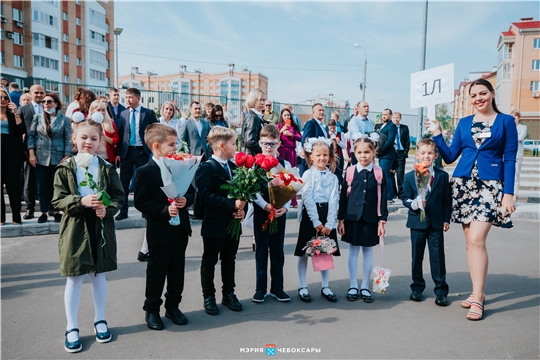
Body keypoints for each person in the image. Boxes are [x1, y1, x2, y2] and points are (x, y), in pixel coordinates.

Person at [427, 78, 517, 321]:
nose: (478, 98)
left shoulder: (506, 122)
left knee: (477, 238)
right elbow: (449, 156)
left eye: (482, 93)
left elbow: (510, 159)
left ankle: (478, 298)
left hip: (490, 186)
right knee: (470, 241)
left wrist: (508, 193)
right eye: (474, 95)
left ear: (492, 93)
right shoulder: (464, 123)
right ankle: (477, 291)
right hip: (464, 185)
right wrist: (437, 135)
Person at [51, 116, 124, 353]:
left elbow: (118, 197)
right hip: (75, 228)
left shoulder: (107, 168)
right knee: (74, 277)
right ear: (74, 139)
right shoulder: (65, 167)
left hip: (100, 227)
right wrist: (80, 200)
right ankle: (71, 326)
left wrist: (107, 208)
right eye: (83, 137)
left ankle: (99, 319)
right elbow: (57, 200)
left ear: (101, 141)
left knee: (98, 275)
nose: (88, 142)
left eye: (94, 138)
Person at [133, 123, 194, 330]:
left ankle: (173, 306)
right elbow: (141, 202)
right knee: (156, 273)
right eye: (172, 145)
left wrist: (186, 200)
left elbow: (192, 192)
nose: (176, 149)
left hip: (180, 230)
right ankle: (152, 310)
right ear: (157, 146)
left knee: (177, 272)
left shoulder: (180, 166)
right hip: (159, 231)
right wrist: (163, 210)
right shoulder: (144, 172)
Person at [195, 127, 246, 316]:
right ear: (222, 145)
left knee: (229, 260)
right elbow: (206, 197)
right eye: (233, 143)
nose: (236, 147)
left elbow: (243, 195)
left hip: (232, 224)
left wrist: (242, 210)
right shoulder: (206, 168)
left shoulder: (234, 168)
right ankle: (209, 296)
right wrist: (232, 204)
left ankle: (229, 293)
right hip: (214, 224)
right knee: (209, 261)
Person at [338, 134, 387, 303]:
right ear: (354, 153)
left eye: (367, 152)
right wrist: (340, 219)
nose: (363, 156)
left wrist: (382, 221)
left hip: (371, 218)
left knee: (367, 251)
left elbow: (383, 198)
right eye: (359, 152)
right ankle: (353, 285)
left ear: (374, 152)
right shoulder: (350, 172)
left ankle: (365, 286)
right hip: (352, 217)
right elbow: (343, 197)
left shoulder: (379, 173)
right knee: (353, 250)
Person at [401, 138, 451, 306]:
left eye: (430, 153)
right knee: (417, 257)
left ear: (436, 155)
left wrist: (446, 219)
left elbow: (446, 200)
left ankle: (441, 290)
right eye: (423, 153)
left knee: (437, 258)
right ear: (417, 155)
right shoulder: (409, 176)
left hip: (436, 222)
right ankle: (417, 288)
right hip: (417, 223)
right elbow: (404, 198)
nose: (426, 156)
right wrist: (414, 203)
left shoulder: (442, 176)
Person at [295, 137, 340, 303]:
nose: (322, 158)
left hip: (326, 215)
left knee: (325, 251)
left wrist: (329, 223)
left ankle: (325, 286)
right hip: (311, 216)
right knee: (304, 252)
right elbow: (307, 197)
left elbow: (334, 199)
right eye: (318, 155)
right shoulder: (308, 174)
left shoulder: (333, 177)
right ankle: (303, 286)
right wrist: (316, 222)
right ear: (311, 156)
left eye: (325, 155)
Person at [252, 125, 292, 303]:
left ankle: (277, 288)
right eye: (266, 143)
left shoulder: (286, 164)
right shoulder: (254, 164)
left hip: (279, 213)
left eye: (273, 143)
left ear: (279, 144)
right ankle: (260, 288)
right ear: (260, 143)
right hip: (263, 212)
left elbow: (291, 188)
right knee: (261, 250)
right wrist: (266, 205)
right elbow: (252, 191)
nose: (269, 147)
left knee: (277, 251)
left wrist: (285, 207)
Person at [27, 92, 72, 223]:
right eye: (44, 102)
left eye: (49, 101)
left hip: (58, 157)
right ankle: (43, 212)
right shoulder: (37, 118)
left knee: (56, 186)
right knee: (42, 186)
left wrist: (67, 155)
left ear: (56, 104)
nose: (46, 104)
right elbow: (31, 136)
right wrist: (31, 153)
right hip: (40, 156)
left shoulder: (64, 119)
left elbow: (68, 138)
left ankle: (56, 211)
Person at [115, 87, 159, 221]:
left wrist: (152, 147)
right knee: (124, 182)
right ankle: (123, 211)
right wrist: (118, 153)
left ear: (138, 98)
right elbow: (121, 134)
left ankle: (145, 210)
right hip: (127, 153)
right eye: (126, 97)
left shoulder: (148, 113)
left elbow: (156, 130)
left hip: (142, 152)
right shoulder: (123, 114)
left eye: (131, 97)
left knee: (143, 182)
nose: (128, 100)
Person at [18, 84, 46, 220]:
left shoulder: (49, 108)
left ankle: (47, 209)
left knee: (46, 181)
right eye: (37, 93)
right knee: (29, 181)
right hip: (30, 150)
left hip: (47, 151)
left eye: (42, 93)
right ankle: (29, 209)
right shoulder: (23, 109)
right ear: (31, 93)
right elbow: (19, 129)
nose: (39, 95)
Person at [0, 88, 26, 225]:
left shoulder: (12, 115)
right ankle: (1, 218)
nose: (3, 100)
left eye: (5, 97)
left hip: (12, 153)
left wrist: (16, 112)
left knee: (13, 185)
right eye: (0, 97)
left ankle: (16, 217)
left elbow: (22, 130)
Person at [276, 107, 302, 207]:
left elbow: (300, 138)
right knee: (281, 175)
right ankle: (281, 199)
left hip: (291, 152)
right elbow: (274, 136)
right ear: (282, 117)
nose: (286, 116)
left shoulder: (294, 127)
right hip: (282, 151)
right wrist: (281, 131)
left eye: (288, 115)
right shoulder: (278, 126)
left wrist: (291, 134)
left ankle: (293, 201)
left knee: (292, 175)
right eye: (285, 115)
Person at [300, 103, 328, 175]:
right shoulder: (310, 123)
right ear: (313, 112)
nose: (322, 112)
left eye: (323, 110)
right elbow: (305, 141)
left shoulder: (322, 126)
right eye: (319, 110)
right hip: (313, 161)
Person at [377, 108, 397, 203]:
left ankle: (389, 196)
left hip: (387, 154)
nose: (384, 116)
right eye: (383, 114)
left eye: (386, 114)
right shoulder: (382, 125)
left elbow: (390, 141)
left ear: (390, 116)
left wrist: (381, 150)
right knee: (383, 174)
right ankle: (386, 195)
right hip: (381, 155)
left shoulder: (392, 126)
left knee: (385, 175)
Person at [241, 88, 268, 155]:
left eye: (264, 100)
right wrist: (265, 150)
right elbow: (250, 142)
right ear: (253, 100)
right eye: (259, 100)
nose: (262, 102)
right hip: (252, 158)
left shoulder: (254, 116)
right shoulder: (253, 117)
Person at [347, 101, 373, 165]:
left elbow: (375, 137)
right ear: (358, 109)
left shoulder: (370, 123)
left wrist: (367, 136)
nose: (367, 108)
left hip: (368, 152)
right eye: (364, 106)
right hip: (357, 152)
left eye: (367, 106)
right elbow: (356, 136)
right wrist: (369, 136)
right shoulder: (354, 121)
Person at [393, 112, 410, 198]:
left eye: (397, 118)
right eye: (394, 117)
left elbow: (407, 141)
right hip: (392, 153)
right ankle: (393, 192)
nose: (396, 119)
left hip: (401, 152)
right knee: (391, 173)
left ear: (400, 118)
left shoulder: (405, 128)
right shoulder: (390, 127)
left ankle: (401, 193)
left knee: (400, 174)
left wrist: (405, 152)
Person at [511, 110, 527, 202]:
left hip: (518, 154)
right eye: (512, 116)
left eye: (516, 116)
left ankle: (515, 195)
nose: (514, 118)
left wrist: (511, 138)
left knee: (516, 175)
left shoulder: (523, 127)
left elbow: (521, 138)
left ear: (519, 117)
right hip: (508, 155)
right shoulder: (509, 127)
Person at [328, 116, 346, 186]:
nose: (332, 130)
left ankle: (338, 189)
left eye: (334, 128)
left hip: (339, 156)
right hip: (329, 157)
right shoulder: (326, 134)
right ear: (328, 127)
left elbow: (344, 146)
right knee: (330, 173)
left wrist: (339, 142)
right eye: (331, 128)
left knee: (339, 174)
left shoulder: (341, 134)